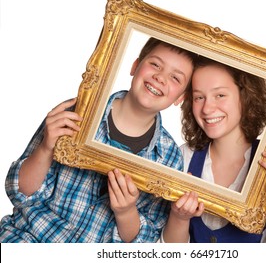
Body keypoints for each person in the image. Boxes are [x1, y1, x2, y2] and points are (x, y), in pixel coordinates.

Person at [0, 37, 196, 243]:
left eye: (175, 78)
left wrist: (126, 212)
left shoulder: (170, 158)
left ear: (180, 98)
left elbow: (143, 243)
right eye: (155, 64)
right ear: (135, 66)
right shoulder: (76, 113)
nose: (160, 77)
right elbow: (20, 192)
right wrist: (46, 147)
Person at [161, 56, 266, 243]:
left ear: (245, 96)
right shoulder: (182, 157)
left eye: (220, 95)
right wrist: (179, 218)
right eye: (199, 97)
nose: (207, 108)